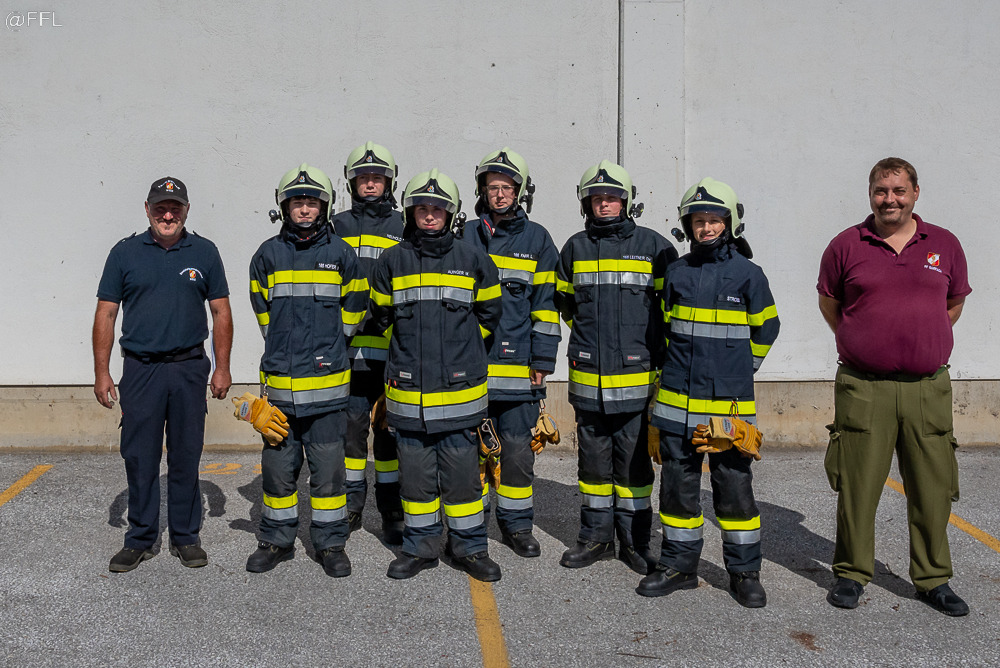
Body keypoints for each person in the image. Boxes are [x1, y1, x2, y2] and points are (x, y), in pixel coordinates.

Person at [817, 157, 971, 616]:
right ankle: (851, 573)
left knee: (932, 486)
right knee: (858, 486)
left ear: (915, 193)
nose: (890, 200)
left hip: (927, 388)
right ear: (870, 194)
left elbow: (953, 303)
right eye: (881, 191)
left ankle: (933, 578)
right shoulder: (846, 245)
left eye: (899, 191)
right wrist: (863, 340)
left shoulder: (944, 244)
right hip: (864, 387)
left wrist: (922, 338)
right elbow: (831, 304)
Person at [638, 178, 779, 607]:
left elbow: (767, 328)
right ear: (688, 226)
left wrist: (741, 370)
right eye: (698, 221)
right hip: (676, 404)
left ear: (730, 223)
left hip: (727, 408)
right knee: (676, 489)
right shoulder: (677, 272)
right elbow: (664, 330)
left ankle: (744, 573)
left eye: (714, 220)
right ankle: (679, 566)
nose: (706, 228)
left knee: (733, 489)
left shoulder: (749, 275)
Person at [369, 169, 503, 581]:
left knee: (463, 480)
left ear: (452, 214)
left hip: (460, 395)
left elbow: (489, 317)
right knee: (416, 481)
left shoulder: (473, 260)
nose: (430, 215)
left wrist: (461, 352)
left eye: (438, 209)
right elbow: (382, 319)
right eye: (422, 208)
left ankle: (470, 549)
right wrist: (409, 355)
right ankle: (420, 548)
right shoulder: (392, 261)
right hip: (409, 396)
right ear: (410, 213)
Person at [94, 177, 232, 572]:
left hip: (189, 369)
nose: (167, 215)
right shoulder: (124, 253)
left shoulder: (205, 252)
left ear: (186, 210)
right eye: (160, 208)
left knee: (186, 453)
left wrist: (222, 367)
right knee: (140, 456)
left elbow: (221, 311)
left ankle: (185, 537)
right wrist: (102, 372)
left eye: (175, 208)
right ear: (147, 209)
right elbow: (106, 313)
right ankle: (140, 538)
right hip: (141, 370)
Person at [246, 164, 369, 577]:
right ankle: (276, 541)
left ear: (324, 207)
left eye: (312, 202)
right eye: (297, 202)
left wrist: (330, 346)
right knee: (278, 471)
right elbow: (264, 314)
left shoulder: (341, 255)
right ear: (284, 207)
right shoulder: (267, 255)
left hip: (328, 390)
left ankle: (330, 544)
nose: (304, 209)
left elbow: (354, 311)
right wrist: (283, 350)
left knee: (329, 472)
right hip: (281, 389)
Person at [554, 161, 677, 575]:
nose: (604, 204)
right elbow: (567, 305)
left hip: (637, 383)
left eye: (612, 197)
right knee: (592, 466)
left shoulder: (655, 247)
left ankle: (636, 543)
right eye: (597, 198)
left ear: (626, 201)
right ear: (586, 203)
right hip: (589, 381)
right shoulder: (574, 248)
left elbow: (669, 313)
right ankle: (595, 538)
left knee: (635, 468)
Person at [460, 148, 561, 558]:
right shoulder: (465, 234)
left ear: (520, 192)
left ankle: (517, 526)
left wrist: (543, 360)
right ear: (482, 191)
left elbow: (546, 305)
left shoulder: (537, 239)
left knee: (517, 452)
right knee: (469, 451)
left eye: (507, 187)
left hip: (519, 369)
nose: (500, 194)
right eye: (493, 187)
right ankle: (470, 527)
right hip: (469, 367)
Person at [331, 142, 407, 544]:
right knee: (352, 430)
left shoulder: (404, 225)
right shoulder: (335, 226)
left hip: (394, 351)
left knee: (390, 433)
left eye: (378, 177)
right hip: (349, 351)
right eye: (363, 178)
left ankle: (392, 510)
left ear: (389, 182)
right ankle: (351, 506)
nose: (371, 184)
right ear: (352, 183)